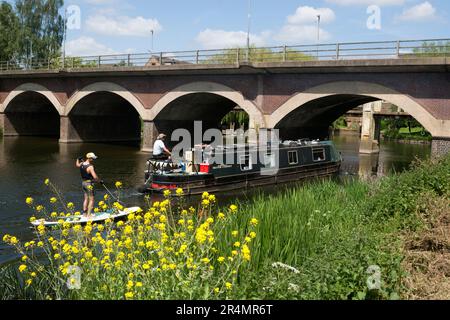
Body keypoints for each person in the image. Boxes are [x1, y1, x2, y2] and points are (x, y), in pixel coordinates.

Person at [76, 152, 102, 218]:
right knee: (92, 199)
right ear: (89, 158)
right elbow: (95, 177)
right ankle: (89, 215)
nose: (93, 160)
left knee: (86, 198)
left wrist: (77, 159)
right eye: (92, 158)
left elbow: (77, 165)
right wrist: (100, 181)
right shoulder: (90, 167)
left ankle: (84, 214)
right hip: (89, 184)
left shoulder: (81, 163)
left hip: (83, 183)